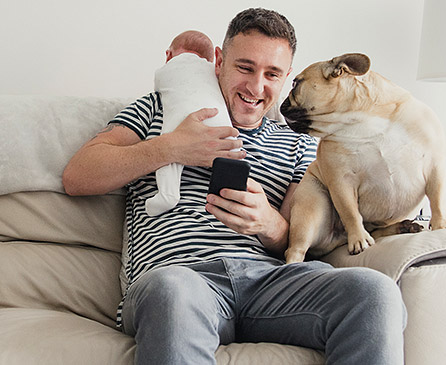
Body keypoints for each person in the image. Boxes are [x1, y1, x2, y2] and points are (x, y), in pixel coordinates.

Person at [62, 7, 406, 365]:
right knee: (170, 291)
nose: (256, 87)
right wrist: (173, 147)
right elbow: (78, 175)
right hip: (183, 280)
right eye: (245, 68)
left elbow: (300, 234)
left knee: (374, 291)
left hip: (271, 284)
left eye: (271, 74)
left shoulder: (299, 143)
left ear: (287, 77)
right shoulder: (162, 109)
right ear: (219, 61)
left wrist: (269, 225)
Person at [145, 30, 236, 216]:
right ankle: (233, 191)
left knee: (172, 147)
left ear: (168, 55)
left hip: (184, 120)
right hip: (220, 120)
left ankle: (167, 194)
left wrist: (174, 146)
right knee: (231, 151)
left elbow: (160, 89)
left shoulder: (166, 70)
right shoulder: (211, 73)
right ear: (214, 62)